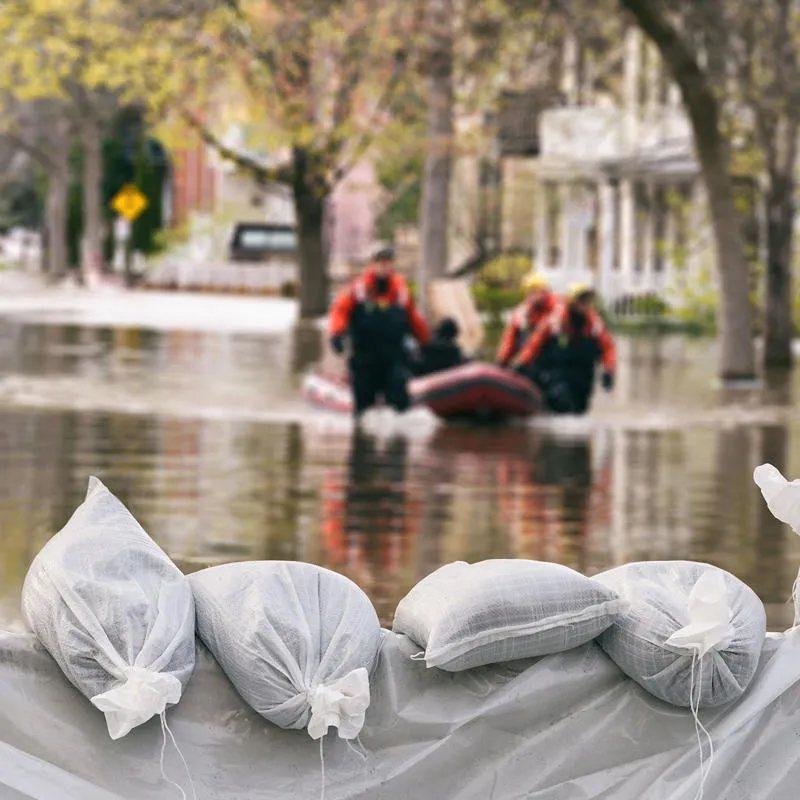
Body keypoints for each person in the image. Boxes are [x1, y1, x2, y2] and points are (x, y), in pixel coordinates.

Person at [329, 246, 430, 417]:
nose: (384, 266)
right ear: (372, 264)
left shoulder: (401, 291)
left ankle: (398, 438)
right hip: (365, 358)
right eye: (380, 262)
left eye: (388, 262)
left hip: (393, 357)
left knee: (399, 400)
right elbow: (339, 312)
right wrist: (337, 334)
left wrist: (426, 343)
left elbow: (414, 319)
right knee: (363, 409)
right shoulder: (357, 289)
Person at [510, 283, 616, 414]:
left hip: (583, 377)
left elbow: (608, 348)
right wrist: (521, 364)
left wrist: (609, 371)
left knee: (579, 411)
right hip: (557, 375)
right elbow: (534, 344)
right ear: (571, 303)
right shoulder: (554, 322)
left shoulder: (594, 324)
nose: (585, 305)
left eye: (586, 301)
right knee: (561, 402)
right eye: (581, 301)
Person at [496, 272, 558, 367]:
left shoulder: (555, 309)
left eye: (538, 291)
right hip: (529, 358)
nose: (534, 295)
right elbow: (510, 337)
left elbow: (539, 336)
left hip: (547, 358)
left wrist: (522, 361)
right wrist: (502, 360)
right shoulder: (523, 310)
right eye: (531, 291)